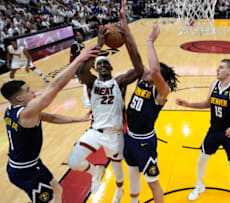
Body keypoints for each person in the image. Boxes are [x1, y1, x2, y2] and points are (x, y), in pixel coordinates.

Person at [66, 1, 144, 202]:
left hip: (115, 134)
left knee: (119, 174)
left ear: (110, 68)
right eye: (98, 64)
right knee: (73, 161)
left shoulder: (119, 82)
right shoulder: (91, 82)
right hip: (95, 131)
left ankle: (119, 193)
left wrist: (127, 42)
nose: (100, 66)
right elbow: (82, 72)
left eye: (104, 64)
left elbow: (139, 70)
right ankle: (95, 171)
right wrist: (99, 45)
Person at [1, 46, 98, 203]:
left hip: (30, 164)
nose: (33, 92)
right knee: (49, 199)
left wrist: (80, 119)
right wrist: (79, 59)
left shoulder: (12, 110)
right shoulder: (26, 113)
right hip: (25, 171)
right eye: (28, 90)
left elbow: (51, 118)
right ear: (19, 98)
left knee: (57, 189)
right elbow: (56, 86)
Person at [176, 59, 230, 203]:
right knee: (202, 159)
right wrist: (189, 104)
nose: (217, 70)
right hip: (214, 131)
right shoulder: (214, 85)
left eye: (221, 68)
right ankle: (199, 186)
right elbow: (208, 103)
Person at [123, 24, 178, 203]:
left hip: (144, 142)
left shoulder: (162, 92)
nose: (147, 70)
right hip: (129, 137)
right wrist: (124, 24)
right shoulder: (142, 79)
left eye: (152, 71)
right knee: (132, 175)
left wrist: (150, 41)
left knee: (152, 182)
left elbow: (154, 70)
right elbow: (134, 53)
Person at [70, 31, 91, 108]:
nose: (80, 37)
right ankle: (87, 102)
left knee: (85, 82)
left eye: (81, 35)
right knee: (86, 83)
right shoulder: (74, 46)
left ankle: (84, 96)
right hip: (78, 66)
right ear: (75, 37)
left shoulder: (82, 44)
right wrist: (72, 70)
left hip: (83, 65)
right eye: (78, 36)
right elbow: (71, 59)